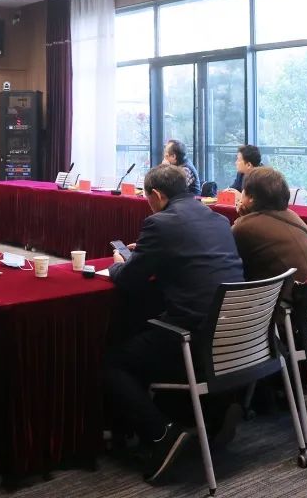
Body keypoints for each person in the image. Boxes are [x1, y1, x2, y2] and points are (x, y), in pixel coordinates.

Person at [105, 164, 244, 484]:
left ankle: (161, 433)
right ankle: (214, 413)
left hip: (193, 338)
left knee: (113, 363)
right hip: (234, 333)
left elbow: (129, 281)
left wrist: (119, 264)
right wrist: (149, 252)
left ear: (156, 195)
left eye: (147, 198)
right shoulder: (219, 220)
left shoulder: (160, 223)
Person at [231, 166, 307, 300]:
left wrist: (242, 220)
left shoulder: (245, 227)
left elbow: (230, 264)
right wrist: (245, 218)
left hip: (291, 305)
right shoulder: (293, 216)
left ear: (251, 197)